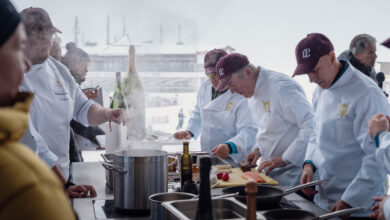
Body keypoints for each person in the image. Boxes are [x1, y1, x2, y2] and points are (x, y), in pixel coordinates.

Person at [19, 7, 127, 197]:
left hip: (59, 178)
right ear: (23, 37)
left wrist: (107, 114)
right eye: (41, 36)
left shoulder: (58, 70)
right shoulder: (13, 75)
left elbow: (83, 107)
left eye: (49, 35)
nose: (47, 42)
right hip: (28, 183)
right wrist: (63, 185)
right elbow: (32, 140)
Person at [295, 33, 390, 219]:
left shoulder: (367, 94)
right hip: (323, 199)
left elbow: (376, 158)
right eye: (307, 73)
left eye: (315, 70)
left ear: (331, 57)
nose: (311, 79)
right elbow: (316, 133)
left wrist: (350, 199)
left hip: (358, 208)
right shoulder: (319, 91)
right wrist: (309, 165)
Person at [0, 0, 76, 219]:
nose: (24, 64)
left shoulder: (57, 69)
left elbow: (36, 140)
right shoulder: (21, 185)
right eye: (16, 48)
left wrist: (62, 185)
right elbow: (34, 139)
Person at [215, 53, 314, 188]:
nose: (232, 92)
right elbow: (266, 128)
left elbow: (310, 124)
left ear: (247, 72)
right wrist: (258, 150)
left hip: (295, 174)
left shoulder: (281, 87)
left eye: (231, 84)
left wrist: (286, 158)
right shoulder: (251, 93)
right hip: (271, 174)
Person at [174, 49, 257, 164]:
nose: (216, 80)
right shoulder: (205, 87)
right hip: (207, 156)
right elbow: (198, 114)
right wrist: (190, 131)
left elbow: (249, 131)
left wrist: (230, 146)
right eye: (211, 75)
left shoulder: (241, 93)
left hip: (234, 160)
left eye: (219, 74)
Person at [61, 42, 105, 162]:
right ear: (74, 65)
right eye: (84, 66)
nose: (86, 71)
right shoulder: (65, 82)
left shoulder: (67, 81)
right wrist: (101, 138)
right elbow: (76, 120)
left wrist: (83, 95)